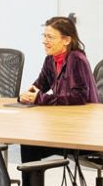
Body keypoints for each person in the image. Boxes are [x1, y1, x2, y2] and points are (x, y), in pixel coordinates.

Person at [18, 15, 94, 167]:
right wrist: (27, 94)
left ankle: (32, 183)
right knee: (28, 141)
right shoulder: (51, 59)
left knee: (30, 145)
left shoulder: (76, 59)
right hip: (63, 124)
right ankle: (32, 183)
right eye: (44, 36)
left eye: (50, 37)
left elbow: (79, 97)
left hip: (82, 129)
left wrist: (40, 98)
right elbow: (40, 84)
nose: (44, 41)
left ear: (66, 40)